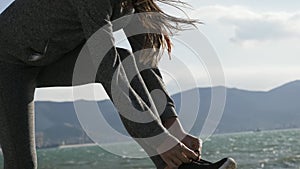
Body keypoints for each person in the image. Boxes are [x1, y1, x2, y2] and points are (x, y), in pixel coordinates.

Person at [0, 0, 203, 169]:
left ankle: (173, 165)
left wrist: (173, 128)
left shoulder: (136, 3)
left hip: (47, 58)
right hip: (6, 62)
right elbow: (107, 68)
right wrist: (158, 138)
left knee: (124, 59)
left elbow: (145, 62)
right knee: (22, 163)